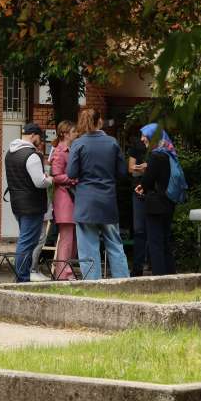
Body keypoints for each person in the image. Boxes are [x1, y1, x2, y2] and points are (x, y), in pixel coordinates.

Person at [67, 108, 129, 280]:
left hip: (85, 202)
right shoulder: (112, 142)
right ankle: (123, 281)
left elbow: (71, 173)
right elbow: (122, 172)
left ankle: (92, 284)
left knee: (88, 248)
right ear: (99, 121)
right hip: (108, 201)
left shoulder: (78, 144)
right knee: (115, 245)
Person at [4, 122, 52, 282]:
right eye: (40, 138)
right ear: (33, 135)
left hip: (17, 203)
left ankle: (21, 276)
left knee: (25, 240)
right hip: (32, 205)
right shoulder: (32, 155)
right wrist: (50, 180)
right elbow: (39, 182)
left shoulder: (10, 153)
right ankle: (22, 278)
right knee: (27, 242)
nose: (41, 141)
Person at [135, 123, 177, 276]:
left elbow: (147, 181)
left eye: (144, 135)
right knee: (165, 241)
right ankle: (170, 275)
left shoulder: (155, 155)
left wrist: (142, 186)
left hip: (155, 205)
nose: (142, 139)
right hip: (169, 202)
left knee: (155, 243)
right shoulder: (169, 153)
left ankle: (160, 277)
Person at [49, 121, 78, 280]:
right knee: (66, 237)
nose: (76, 134)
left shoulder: (69, 150)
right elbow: (56, 176)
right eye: (74, 131)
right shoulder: (60, 151)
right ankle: (63, 272)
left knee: (71, 237)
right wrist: (74, 179)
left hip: (70, 196)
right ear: (65, 134)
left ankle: (66, 269)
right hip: (64, 197)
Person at [126, 127, 148, 276]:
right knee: (139, 229)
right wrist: (144, 169)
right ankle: (138, 266)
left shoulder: (160, 148)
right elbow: (130, 168)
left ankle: (152, 262)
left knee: (151, 228)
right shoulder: (137, 147)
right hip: (138, 190)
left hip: (153, 192)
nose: (142, 138)